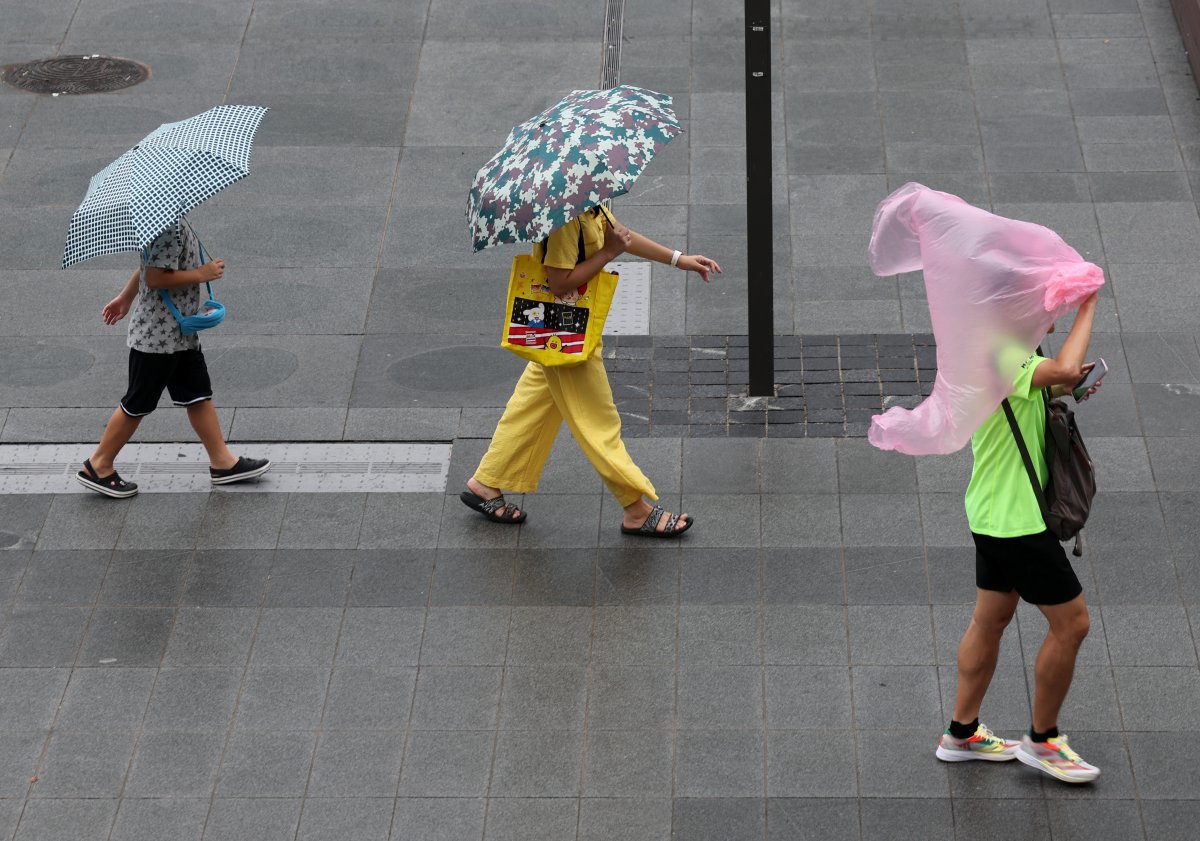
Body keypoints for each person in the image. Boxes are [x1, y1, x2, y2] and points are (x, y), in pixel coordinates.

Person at [461, 205, 720, 537]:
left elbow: (620, 235)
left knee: (531, 408)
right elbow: (558, 282)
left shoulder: (590, 204)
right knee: (598, 422)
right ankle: (636, 509)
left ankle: (487, 482)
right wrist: (609, 253)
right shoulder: (565, 222)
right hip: (565, 338)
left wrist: (677, 259)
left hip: (562, 334)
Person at [936, 292, 1102, 783]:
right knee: (1073, 624)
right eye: (1043, 311)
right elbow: (1066, 368)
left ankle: (962, 733)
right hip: (1016, 522)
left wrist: (1063, 387)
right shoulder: (1005, 354)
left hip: (989, 512)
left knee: (990, 618)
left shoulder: (997, 351)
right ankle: (1043, 740)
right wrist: (1089, 306)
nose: (1049, 317)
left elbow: (1046, 385)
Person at [77, 215, 270, 497]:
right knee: (138, 402)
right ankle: (98, 465)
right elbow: (155, 277)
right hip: (158, 337)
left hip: (179, 333)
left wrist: (125, 297)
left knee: (197, 393)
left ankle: (222, 463)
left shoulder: (168, 217)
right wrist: (202, 274)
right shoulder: (167, 224)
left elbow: (147, 267)